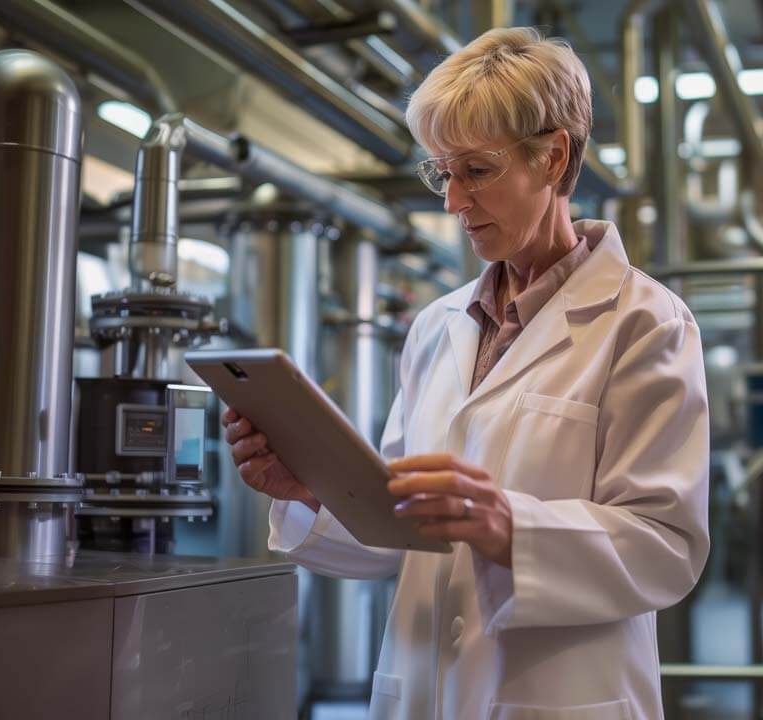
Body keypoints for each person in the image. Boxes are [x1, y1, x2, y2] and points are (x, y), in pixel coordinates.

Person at [223, 27, 709, 720]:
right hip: (422, 691)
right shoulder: (435, 327)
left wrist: (510, 525)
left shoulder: (646, 323)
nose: (452, 203)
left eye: (476, 171)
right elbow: (399, 531)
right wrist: (311, 492)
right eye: (441, 173)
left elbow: (667, 548)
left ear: (553, 156)